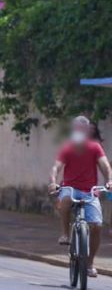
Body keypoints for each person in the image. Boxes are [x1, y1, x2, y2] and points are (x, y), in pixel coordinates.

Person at [49, 116, 112, 278]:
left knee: (97, 226)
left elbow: (105, 166)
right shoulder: (68, 148)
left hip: (90, 191)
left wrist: (109, 180)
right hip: (70, 188)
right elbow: (56, 167)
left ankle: (90, 264)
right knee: (66, 199)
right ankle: (64, 234)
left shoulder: (95, 147)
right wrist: (53, 182)